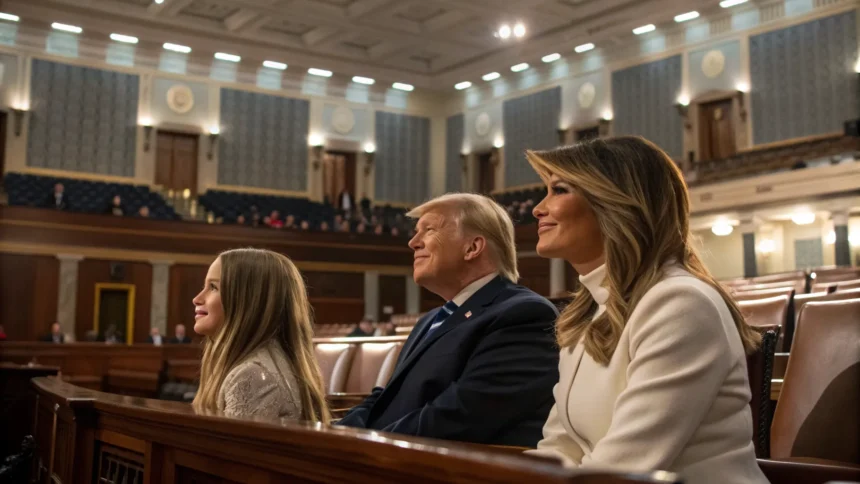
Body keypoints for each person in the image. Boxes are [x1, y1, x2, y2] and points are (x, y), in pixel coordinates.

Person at [524, 137, 767, 483]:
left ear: (615, 202)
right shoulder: (588, 312)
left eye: (559, 190)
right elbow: (560, 447)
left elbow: (622, 468)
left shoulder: (681, 304)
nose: (538, 208)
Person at [338, 193, 559, 446]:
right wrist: (335, 435)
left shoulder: (523, 315)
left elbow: (458, 417)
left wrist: (368, 443)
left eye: (429, 230)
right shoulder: (429, 320)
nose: (413, 242)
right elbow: (388, 397)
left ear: (472, 248)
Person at [191, 248, 329, 422]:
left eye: (213, 287)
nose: (197, 299)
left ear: (247, 301)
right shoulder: (260, 363)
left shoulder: (252, 376)